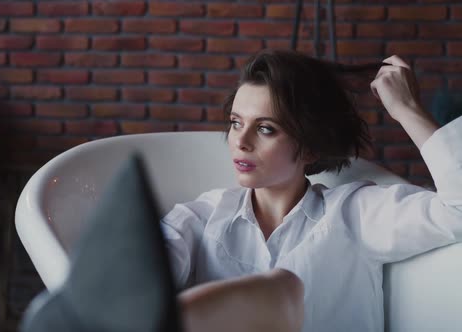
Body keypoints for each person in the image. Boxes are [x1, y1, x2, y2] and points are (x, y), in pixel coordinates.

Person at [161, 49, 462, 331]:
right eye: (236, 123)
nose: (240, 141)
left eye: (265, 128)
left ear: (309, 148)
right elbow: (132, 285)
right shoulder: (201, 219)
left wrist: (407, 109)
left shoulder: (356, 214)